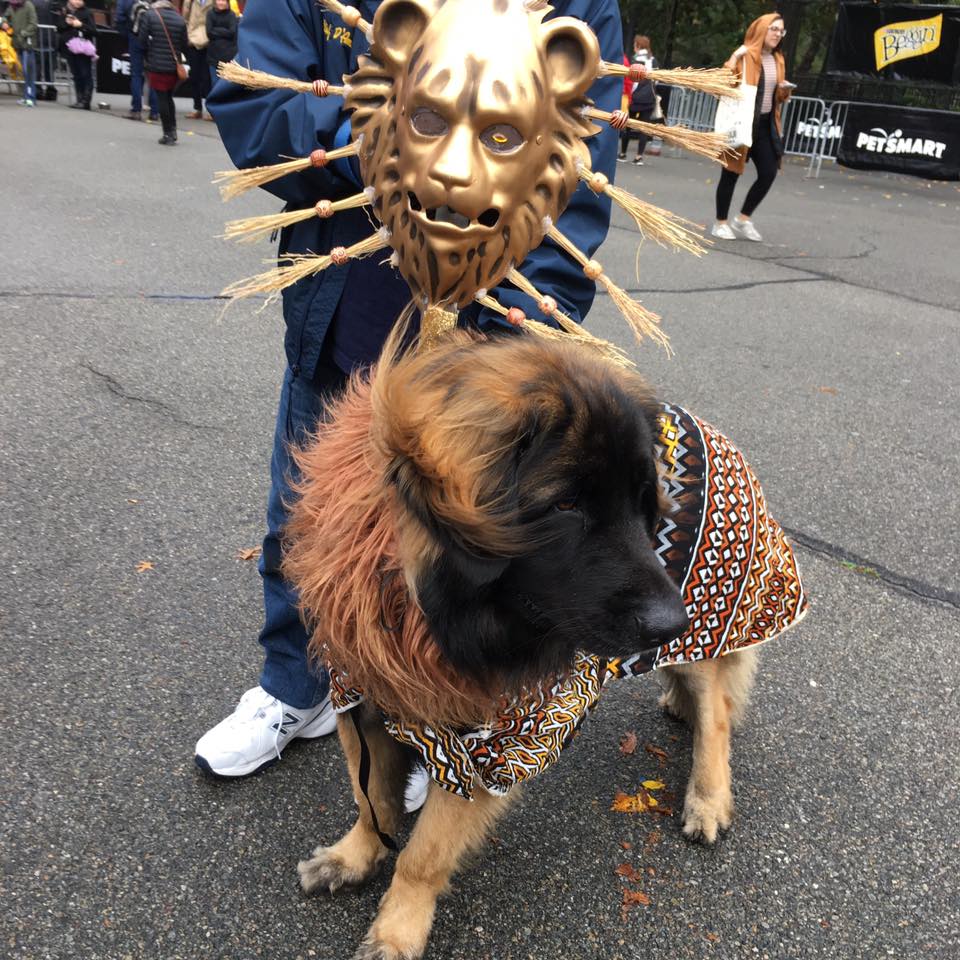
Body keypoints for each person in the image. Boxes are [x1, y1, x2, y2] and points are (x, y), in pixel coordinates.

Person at [196, 0, 622, 782]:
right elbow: (255, 107)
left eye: (487, 137)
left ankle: (440, 720)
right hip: (343, 320)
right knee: (304, 525)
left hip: (481, 343)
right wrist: (393, 133)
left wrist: (521, 342)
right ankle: (294, 687)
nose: (456, 170)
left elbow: (586, 173)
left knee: (462, 548)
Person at [711, 12, 793, 242]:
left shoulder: (778, 59)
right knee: (731, 172)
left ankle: (743, 219)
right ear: (761, 30)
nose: (778, 34)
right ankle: (720, 223)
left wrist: (784, 89)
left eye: (781, 30)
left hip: (766, 125)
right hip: (742, 123)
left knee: (769, 172)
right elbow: (723, 83)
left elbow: (778, 96)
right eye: (773, 29)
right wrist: (735, 57)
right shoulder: (745, 56)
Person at [139, 0, 186, 145]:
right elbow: (184, 44)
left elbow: (142, 40)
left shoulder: (150, 15)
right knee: (169, 97)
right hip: (173, 65)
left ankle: (168, 133)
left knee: (162, 99)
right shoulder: (179, 18)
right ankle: (173, 130)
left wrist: (149, 54)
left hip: (157, 63)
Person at [617, 34, 661, 165]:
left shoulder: (635, 60)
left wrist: (632, 94)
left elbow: (633, 81)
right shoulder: (653, 60)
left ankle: (623, 153)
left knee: (627, 125)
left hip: (635, 98)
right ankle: (638, 157)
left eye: (634, 45)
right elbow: (656, 80)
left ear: (638, 46)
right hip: (649, 99)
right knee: (643, 127)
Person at [114, 0, 160, 121]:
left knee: (136, 74)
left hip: (135, 37)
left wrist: (127, 33)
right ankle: (155, 111)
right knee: (153, 75)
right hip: (153, 38)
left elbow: (119, 18)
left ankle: (136, 109)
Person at [57, 0, 95, 109]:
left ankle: (86, 101)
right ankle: (79, 99)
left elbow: (94, 31)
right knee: (76, 74)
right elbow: (59, 27)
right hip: (69, 47)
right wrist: (66, 23)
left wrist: (81, 25)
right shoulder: (65, 11)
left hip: (83, 48)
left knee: (85, 74)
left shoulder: (87, 12)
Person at [181, 0, 211, 119]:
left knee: (207, 78)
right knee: (194, 77)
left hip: (208, 41)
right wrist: (188, 35)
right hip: (193, 41)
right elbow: (185, 17)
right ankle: (197, 108)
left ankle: (210, 110)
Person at [4, 0, 38, 107]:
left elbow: (33, 23)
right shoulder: (11, 7)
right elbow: (6, 17)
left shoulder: (28, 5)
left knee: (28, 72)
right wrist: (3, 22)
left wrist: (23, 33)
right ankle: (25, 96)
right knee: (23, 72)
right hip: (17, 44)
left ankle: (31, 97)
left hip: (27, 44)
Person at [203, 0, 236, 90]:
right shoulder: (210, 13)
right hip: (213, 56)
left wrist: (216, 30)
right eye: (219, 0)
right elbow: (209, 32)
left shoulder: (231, 15)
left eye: (223, 0)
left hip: (228, 56)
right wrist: (225, 31)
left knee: (227, 84)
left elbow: (232, 32)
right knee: (215, 83)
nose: (221, 3)